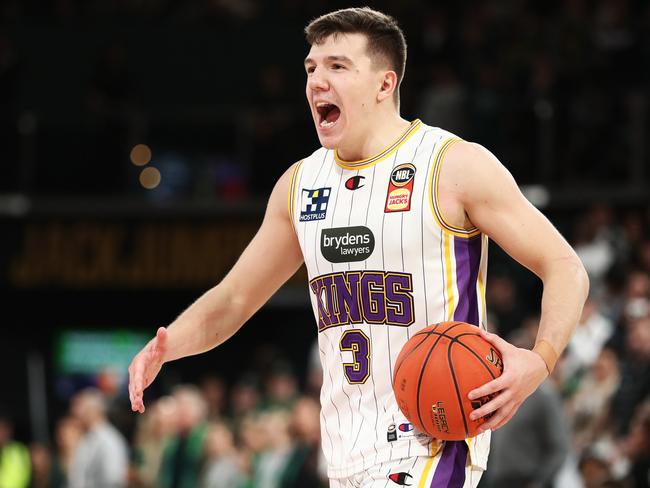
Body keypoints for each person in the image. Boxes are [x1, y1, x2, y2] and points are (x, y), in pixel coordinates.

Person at [128, 7, 589, 487]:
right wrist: (168, 346)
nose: (316, 81)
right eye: (311, 68)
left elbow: (565, 267)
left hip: (430, 443)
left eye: (337, 66)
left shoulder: (452, 166)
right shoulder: (300, 185)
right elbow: (235, 299)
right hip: (344, 455)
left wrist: (540, 359)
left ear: (384, 85)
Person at [68, 388, 129, 488]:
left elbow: (113, 480)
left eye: (79, 408)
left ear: (93, 410)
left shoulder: (109, 440)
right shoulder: (87, 438)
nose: (75, 413)